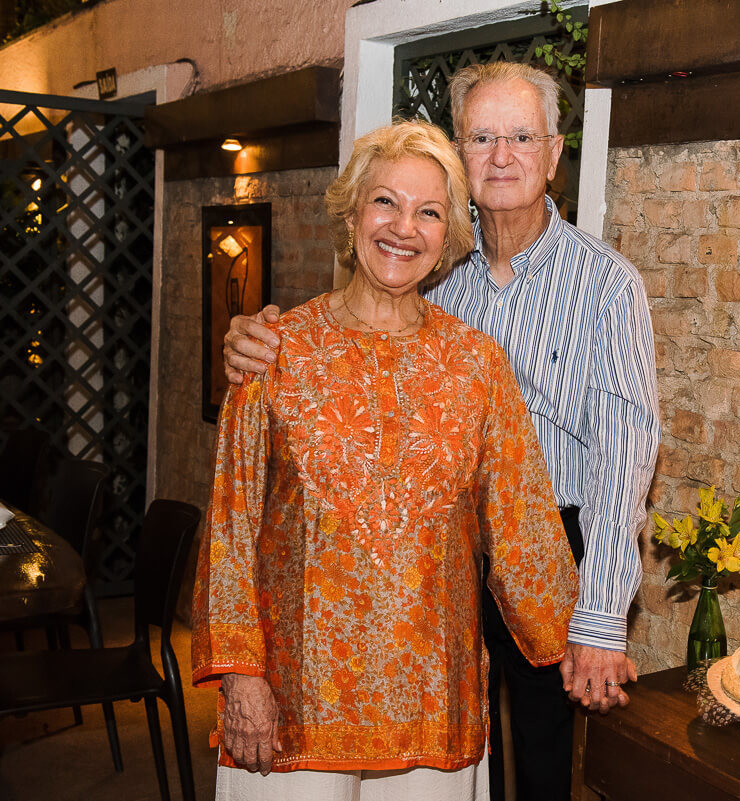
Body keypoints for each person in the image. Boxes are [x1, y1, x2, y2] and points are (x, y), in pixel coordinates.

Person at [223, 62, 661, 801]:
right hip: (435, 560)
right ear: (460, 156)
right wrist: (252, 339)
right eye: (482, 137)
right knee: (465, 748)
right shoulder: (434, 269)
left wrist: (598, 621)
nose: (502, 155)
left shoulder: (606, 285)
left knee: (542, 765)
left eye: (522, 137)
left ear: (555, 153)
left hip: (552, 545)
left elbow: (625, 460)